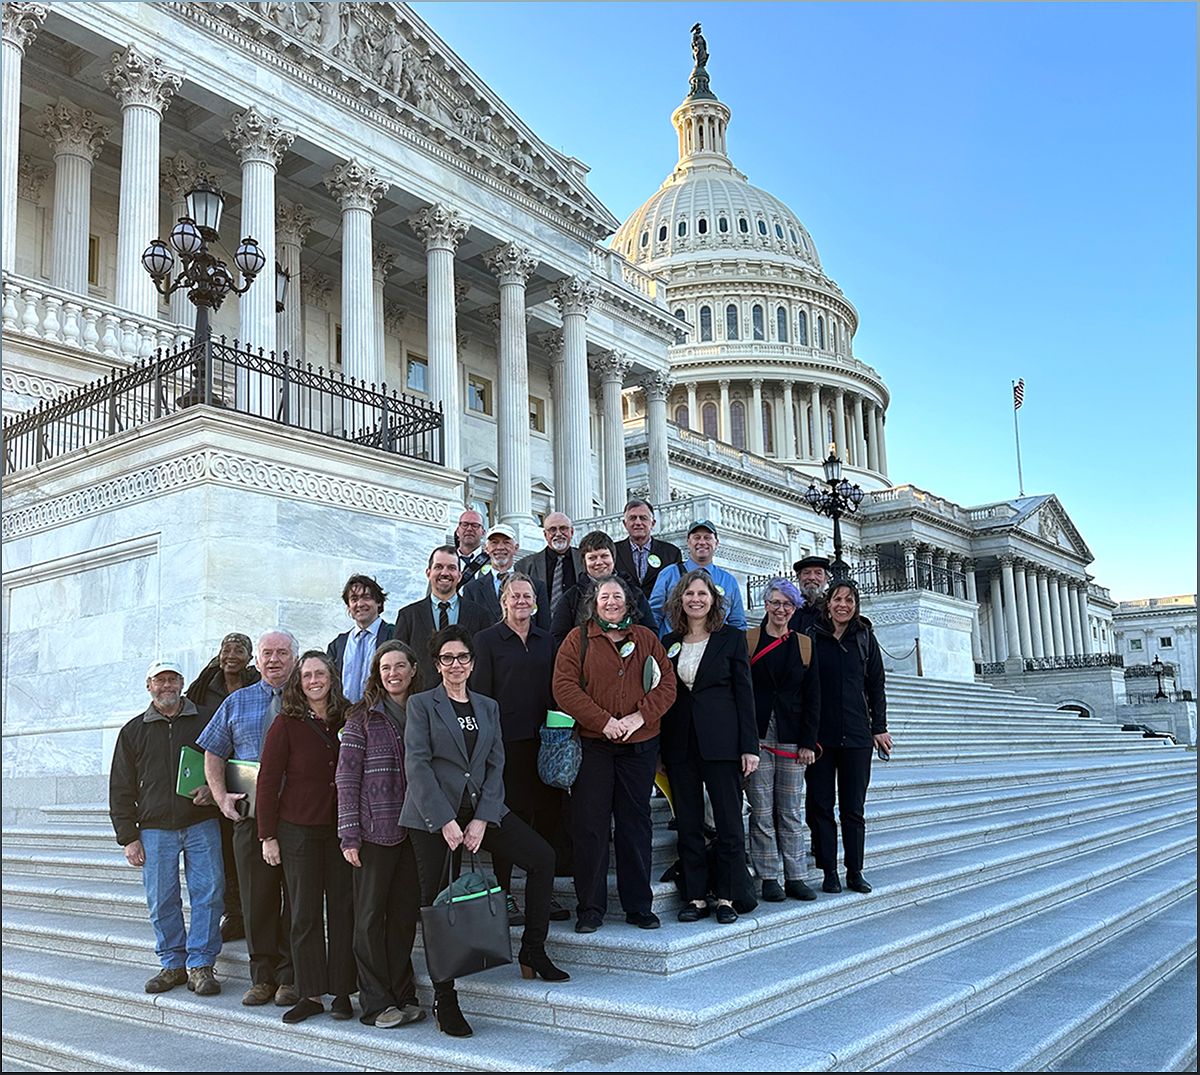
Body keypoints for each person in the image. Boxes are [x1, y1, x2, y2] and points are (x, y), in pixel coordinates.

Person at [402, 625, 568, 1039]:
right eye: (447, 658)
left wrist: (480, 819)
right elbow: (417, 766)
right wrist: (445, 821)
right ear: (436, 664)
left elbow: (497, 766)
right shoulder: (422, 705)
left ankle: (533, 950)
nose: (455, 665)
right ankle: (446, 997)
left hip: (481, 811)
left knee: (542, 858)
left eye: (462, 658)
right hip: (432, 817)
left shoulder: (487, 707)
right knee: (436, 900)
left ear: (472, 663)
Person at [552, 576, 677, 934]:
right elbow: (564, 688)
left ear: (627, 603)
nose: (611, 602)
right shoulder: (578, 640)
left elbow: (667, 683)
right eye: (604, 596)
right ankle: (590, 907)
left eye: (617, 596)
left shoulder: (645, 638)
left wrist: (641, 715)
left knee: (634, 825)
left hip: (638, 747)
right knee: (590, 826)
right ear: (595, 601)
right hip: (594, 745)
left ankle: (639, 905)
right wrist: (603, 721)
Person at [109, 659, 223, 997]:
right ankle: (173, 963)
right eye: (160, 680)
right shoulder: (133, 730)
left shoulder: (204, 719)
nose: (167, 686)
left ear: (182, 683)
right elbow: (120, 787)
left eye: (173, 679)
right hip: (155, 829)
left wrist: (214, 791)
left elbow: (227, 760)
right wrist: (128, 837)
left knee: (210, 893)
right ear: (149, 686)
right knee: (162, 899)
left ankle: (201, 965)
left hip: (201, 822)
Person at [198, 629, 298, 1007]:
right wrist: (221, 797)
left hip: (298, 816)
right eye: (268, 653)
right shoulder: (237, 701)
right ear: (257, 659)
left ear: (294, 658)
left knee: (297, 899)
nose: (274, 660)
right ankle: (262, 977)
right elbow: (213, 751)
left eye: (283, 653)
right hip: (250, 816)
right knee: (257, 899)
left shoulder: (309, 697)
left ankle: (290, 976)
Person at [257, 650, 356, 1024]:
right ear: (299, 683)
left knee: (344, 909)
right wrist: (267, 835)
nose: (314, 680)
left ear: (332, 677)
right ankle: (311, 992)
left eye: (320, 673)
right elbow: (267, 782)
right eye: (307, 675)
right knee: (304, 913)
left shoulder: (348, 717)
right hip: (297, 830)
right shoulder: (286, 723)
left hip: (343, 831)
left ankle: (344, 991)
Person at [336, 641, 427, 1030]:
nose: (393, 673)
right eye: (386, 667)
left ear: (413, 669)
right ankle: (376, 1003)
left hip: (418, 830)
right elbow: (346, 776)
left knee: (404, 917)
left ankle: (403, 994)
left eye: (400, 666)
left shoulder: (425, 711)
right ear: (377, 672)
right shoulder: (362, 717)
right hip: (375, 830)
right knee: (370, 917)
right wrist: (349, 834)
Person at [660, 571, 759, 924]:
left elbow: (745, 695)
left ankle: (728, 896)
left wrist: (750, 746)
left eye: (702, 593)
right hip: (680, 744)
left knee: (729, 822)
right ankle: (696, 895)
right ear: (680, 600)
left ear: (713, 600)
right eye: (689, 593)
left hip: (723, 744)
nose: (696, 599)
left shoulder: (731, 639)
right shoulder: (669, 641)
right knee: (687, 822)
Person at [470, 573, 568, 925]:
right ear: (504, 602)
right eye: (515, 596)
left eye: (527, 596)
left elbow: (559, 687)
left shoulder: (547, 640)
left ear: (536, 602)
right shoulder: (486, 641)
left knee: (545, 818)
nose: (522, 601)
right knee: (506, 820)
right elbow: (480, 695)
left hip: (545, 743)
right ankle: (504, 893)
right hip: (505, 745)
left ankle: (542, 891)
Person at [806, 580, 892, 895]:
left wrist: (879, 727)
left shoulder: (865, 638)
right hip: (820, 737)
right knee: (821, 806)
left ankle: (855, 870)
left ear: (856, 606)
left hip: (857, 735)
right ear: (828, 604)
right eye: (837, 599)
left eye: (849, 600)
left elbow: (876, 687)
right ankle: (829, 870)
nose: (843, 605)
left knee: (853, 808)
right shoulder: (813, 637)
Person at [745, 578, 821, 902]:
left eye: (787, 604)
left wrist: (809, 741)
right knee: (761, 810)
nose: (780, 609)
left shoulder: (804, 644)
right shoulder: (748, 640)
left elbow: (813, 695)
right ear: (766, 605)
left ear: (794, 609)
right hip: (758, 735)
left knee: (789, 810)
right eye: (775, 603)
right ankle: (768, 876)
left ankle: (796, 875)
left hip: (792, 735)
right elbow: (741, 691)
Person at [185, 631, 260, 943]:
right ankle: (235, 914)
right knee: (225, 850)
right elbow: (191, 734)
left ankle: (257, 909)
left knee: (249, 846)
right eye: (226, 649)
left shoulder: (258, 683)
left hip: (247, 774)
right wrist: (202, 782)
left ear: (249, 657)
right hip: (214, 776)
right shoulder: (204, 687)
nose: (231, 655)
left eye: (239, 650)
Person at [393, 545, 492, 688]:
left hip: (467, 701)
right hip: (421, 702)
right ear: (428, 572)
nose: (445, 573)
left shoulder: (480, 615)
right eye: (438, 567)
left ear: (460, 575)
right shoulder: (408, 616)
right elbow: (399, 661)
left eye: (451, 568)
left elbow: (484, 664)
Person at [550, 531, 655, 649]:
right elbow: (558, 638)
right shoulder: (571, 597)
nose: (599, 562)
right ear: (584, 562)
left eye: (604, 556)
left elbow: (650, 631)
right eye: (592, 558)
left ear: (613, 558)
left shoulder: (634, 592)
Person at [649, 520, 747, 636]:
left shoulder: (729, 581)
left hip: (715, 649)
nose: (702, 542)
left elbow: (737, 623)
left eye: (707, 538)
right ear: (688, 543)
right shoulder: (669, 574)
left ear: (716, 543)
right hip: (673, 648)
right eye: (696, 537)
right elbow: (654, 615)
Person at [461, 522, 550, 629]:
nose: (500, 547)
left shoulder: (537, 587)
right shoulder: (472, 590)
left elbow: (544, 629)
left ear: (516, 548)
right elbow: (468, 629)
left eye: (506, 542)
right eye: (494, 542)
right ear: (486, 548)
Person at [327, 575, 395, 703]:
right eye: (354, 599)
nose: (360, 604)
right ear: (349, 607)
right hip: (344, 716)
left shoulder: (394, 635)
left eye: (366, 597)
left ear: (379, 602)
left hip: (382, 714)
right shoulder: (337, 644)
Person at [515, 511, 581, 619]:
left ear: (572, 532)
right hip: (542, 629)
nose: (558, 534)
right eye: (553, 529)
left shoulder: (584, 560)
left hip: (577, 628)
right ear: (545, 535)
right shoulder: (524, 566)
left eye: (563, 528)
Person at [613, 498, 683, 596]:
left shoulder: (672, 553)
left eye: (643, 518)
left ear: (653, 523)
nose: (638, 523)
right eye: (632, 518)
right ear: (625, 524)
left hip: (660, 610)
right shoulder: (613, 552)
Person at [789, 555, 832, 633]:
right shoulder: (788, 607)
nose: (812, 577)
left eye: (818, 573)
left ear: (826, 578)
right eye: (806, 573)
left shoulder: (832, 608)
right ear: (799, 577)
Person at [453, 509, 489, 587]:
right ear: (457, 531)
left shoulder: (492, 562)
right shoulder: (445, 560)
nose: (469, 529)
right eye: (465, 524)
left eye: (475, 525)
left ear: (483, 532)